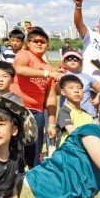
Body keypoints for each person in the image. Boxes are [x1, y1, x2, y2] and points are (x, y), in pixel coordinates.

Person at [10, 28, 59, 168]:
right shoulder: (24, 54)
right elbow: (19, 69)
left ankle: (33, 174)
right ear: (28, 43)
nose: (39, 43)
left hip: (37, 112)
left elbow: (50, 98)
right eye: (35, 41)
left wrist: (51, 123)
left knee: (34, 148)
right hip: (18, 107)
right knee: (14, 144)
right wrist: (45, 74)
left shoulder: (48, 67)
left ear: (47, 45)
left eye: (43, 42)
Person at [58, 50, 100, 118]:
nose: (72, 61)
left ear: (80, 63)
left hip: (89, 114)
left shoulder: (87, 77)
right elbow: (56, 92)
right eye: (69, 59)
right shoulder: (61, 75)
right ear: (64, 62)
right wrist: (59, 78)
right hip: (69, 115)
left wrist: (96, 100)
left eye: (76, 59)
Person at [56, 75, 93, 145]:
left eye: (79, 88)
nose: (76, 91)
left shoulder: (88, 115)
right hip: (67, 152)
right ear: (63, 92)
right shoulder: (64, 111)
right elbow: (72, 133)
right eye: (71, 88)